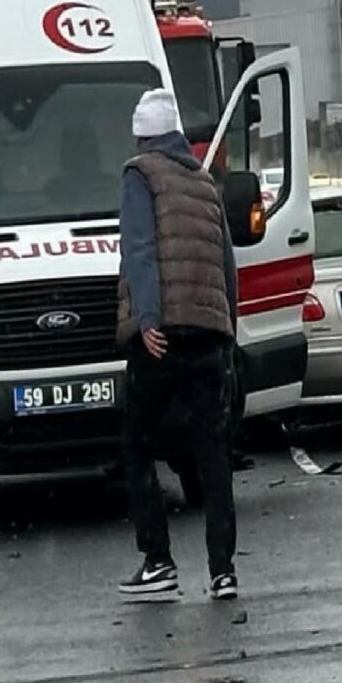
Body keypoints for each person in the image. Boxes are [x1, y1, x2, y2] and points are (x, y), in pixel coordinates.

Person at [114, 87, 242, 602]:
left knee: (136, 445)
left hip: (162, 334)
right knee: (213, 454)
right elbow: (226, 263)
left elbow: (140, 249)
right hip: (209, 334)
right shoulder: (205, 182)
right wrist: (226, 325)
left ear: (143, 135)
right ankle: (223, 571)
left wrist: (147, 318)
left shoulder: (139, 175)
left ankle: (158, 560)